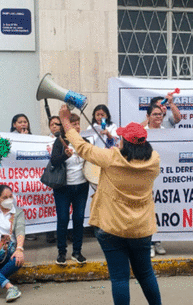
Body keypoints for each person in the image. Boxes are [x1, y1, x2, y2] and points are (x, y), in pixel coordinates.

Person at [58, 104, 162, 305]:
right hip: (141, 228)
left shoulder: (111, 158)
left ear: (126, 143)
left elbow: (82, 147)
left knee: (120, 278)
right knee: (145, 274)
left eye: (122, 138)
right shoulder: (154, 160)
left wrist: (65, 122)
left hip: (111, 226)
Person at [51, 113, 89, 265]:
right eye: (73, 124)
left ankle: (77, 252)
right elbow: (54, 161)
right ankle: (61, 253)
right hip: (63, 188)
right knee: (63, 219)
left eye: (78, 123)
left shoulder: (84, 142)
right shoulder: (60, 142)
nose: (77, 127)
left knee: (79, 219)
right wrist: (65, 156)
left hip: (81, 186)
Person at [144, 104, 166, 257]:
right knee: (148, 211)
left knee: (160, 210)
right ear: (148, 116)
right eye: (155, 114)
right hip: (146, 178)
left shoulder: (167, 133)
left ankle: (157, 241)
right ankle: (149, 243)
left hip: (164, 177)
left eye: (160, 114)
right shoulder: (143, 133)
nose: (158, 117)